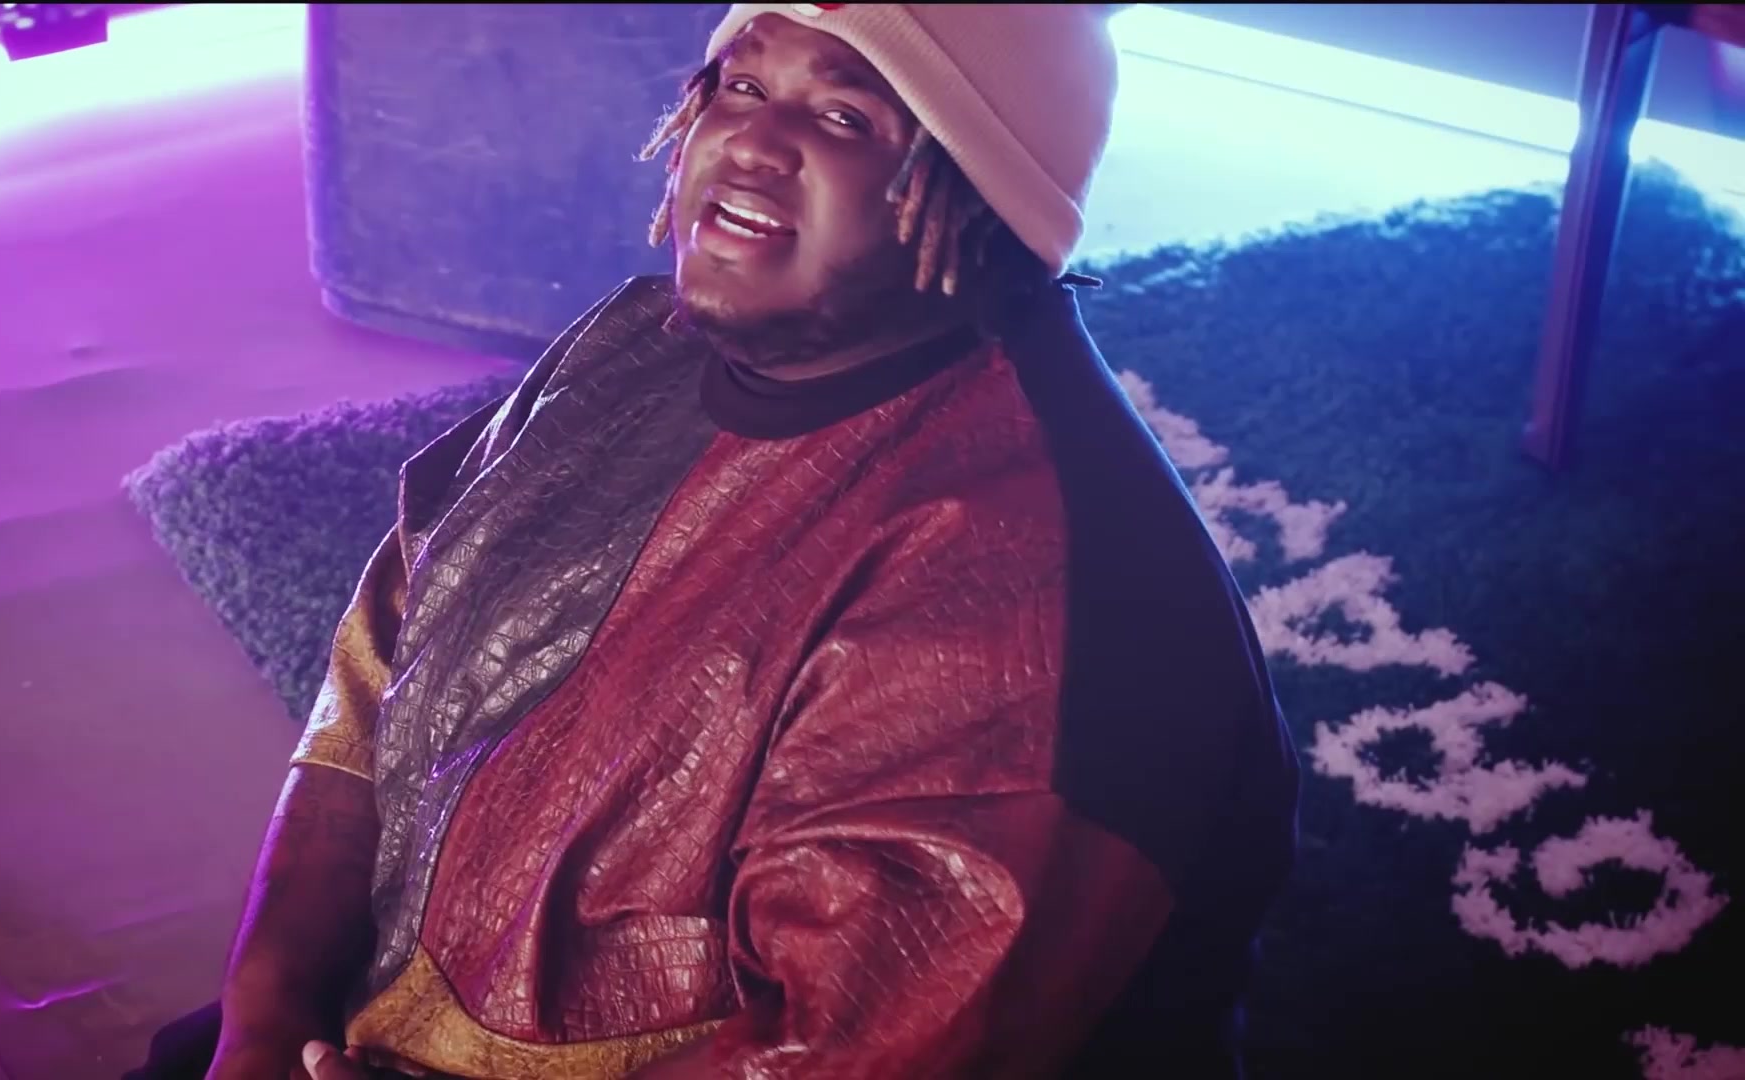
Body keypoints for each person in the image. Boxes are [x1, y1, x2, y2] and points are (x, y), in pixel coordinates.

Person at [128, 4, 1299, 1078]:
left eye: (844, 116)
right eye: (741, 87)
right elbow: (374, 685)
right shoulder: (634, 348)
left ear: (982, 196)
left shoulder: (1019, 589)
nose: (750, 142)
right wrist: (266, 1020)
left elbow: (845, 1052)